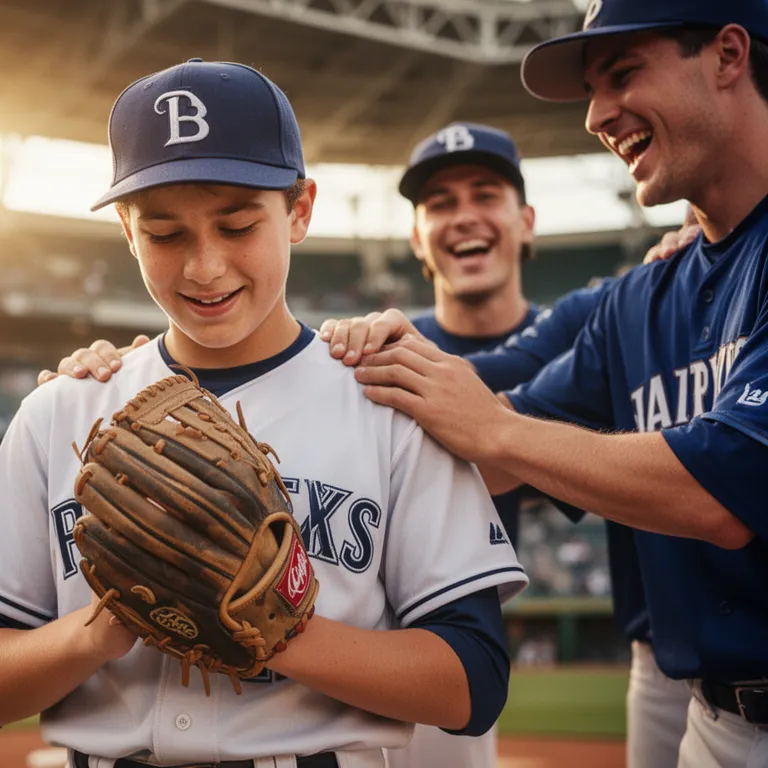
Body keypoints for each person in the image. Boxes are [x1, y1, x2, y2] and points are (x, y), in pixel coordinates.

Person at [0, 59, 529, 768]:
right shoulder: (62, 408)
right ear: (127, 232)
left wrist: (273, 621)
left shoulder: (389, 402)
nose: (204, 267)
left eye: (238, 224)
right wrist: (101, 627)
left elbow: (474, 682)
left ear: (299, 210)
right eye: (165, 235)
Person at [41, 126, 699, 768]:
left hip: (443, 625)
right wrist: (135, 371)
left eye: (485, 194)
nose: (464, 216)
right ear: (416, 237)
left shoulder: (581, 329)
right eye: (440, 203)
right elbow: (269, 368)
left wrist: (693, 266)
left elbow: (494, 408)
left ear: (526, 220)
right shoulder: (374, 352)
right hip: (360, 630)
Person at [328, 3, 768, 767]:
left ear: (729, 54)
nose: (596, 114)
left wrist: (495, 430)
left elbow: (729, 486)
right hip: (710, 718)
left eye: (624, 73)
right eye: (594, 89)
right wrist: (170, 370)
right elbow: (488, 450)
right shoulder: (638, 301)